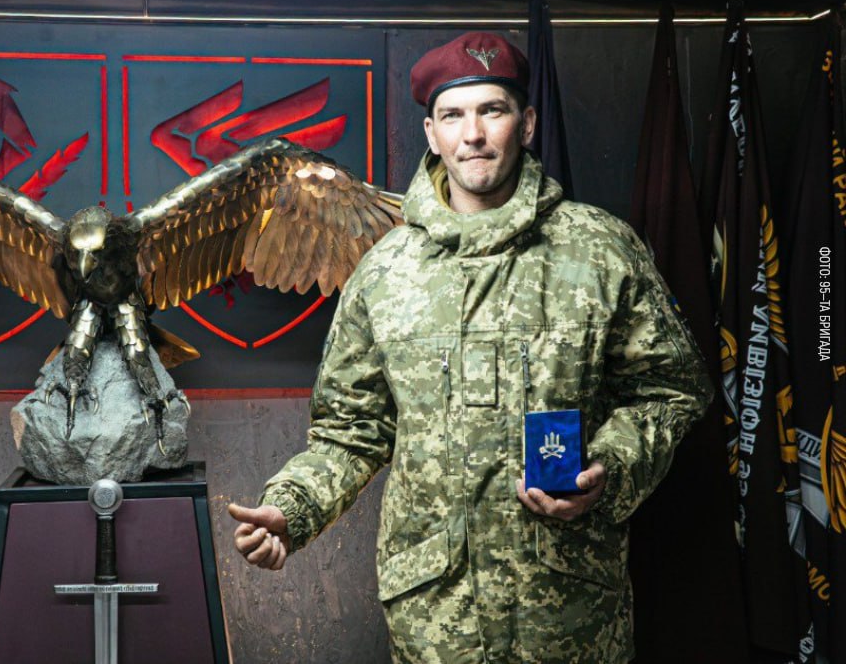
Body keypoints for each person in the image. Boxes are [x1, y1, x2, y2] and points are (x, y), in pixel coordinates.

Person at [228, 32, 712, 664]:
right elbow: (352, 431)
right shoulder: (387, 271)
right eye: (454, 116)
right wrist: (291, 510)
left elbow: (671, 390)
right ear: (432, 134)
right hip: (435, 621)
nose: (474, 135)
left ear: (526, 123)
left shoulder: (600, 251)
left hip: (570, 618)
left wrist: (611, 467)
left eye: (493, 111)